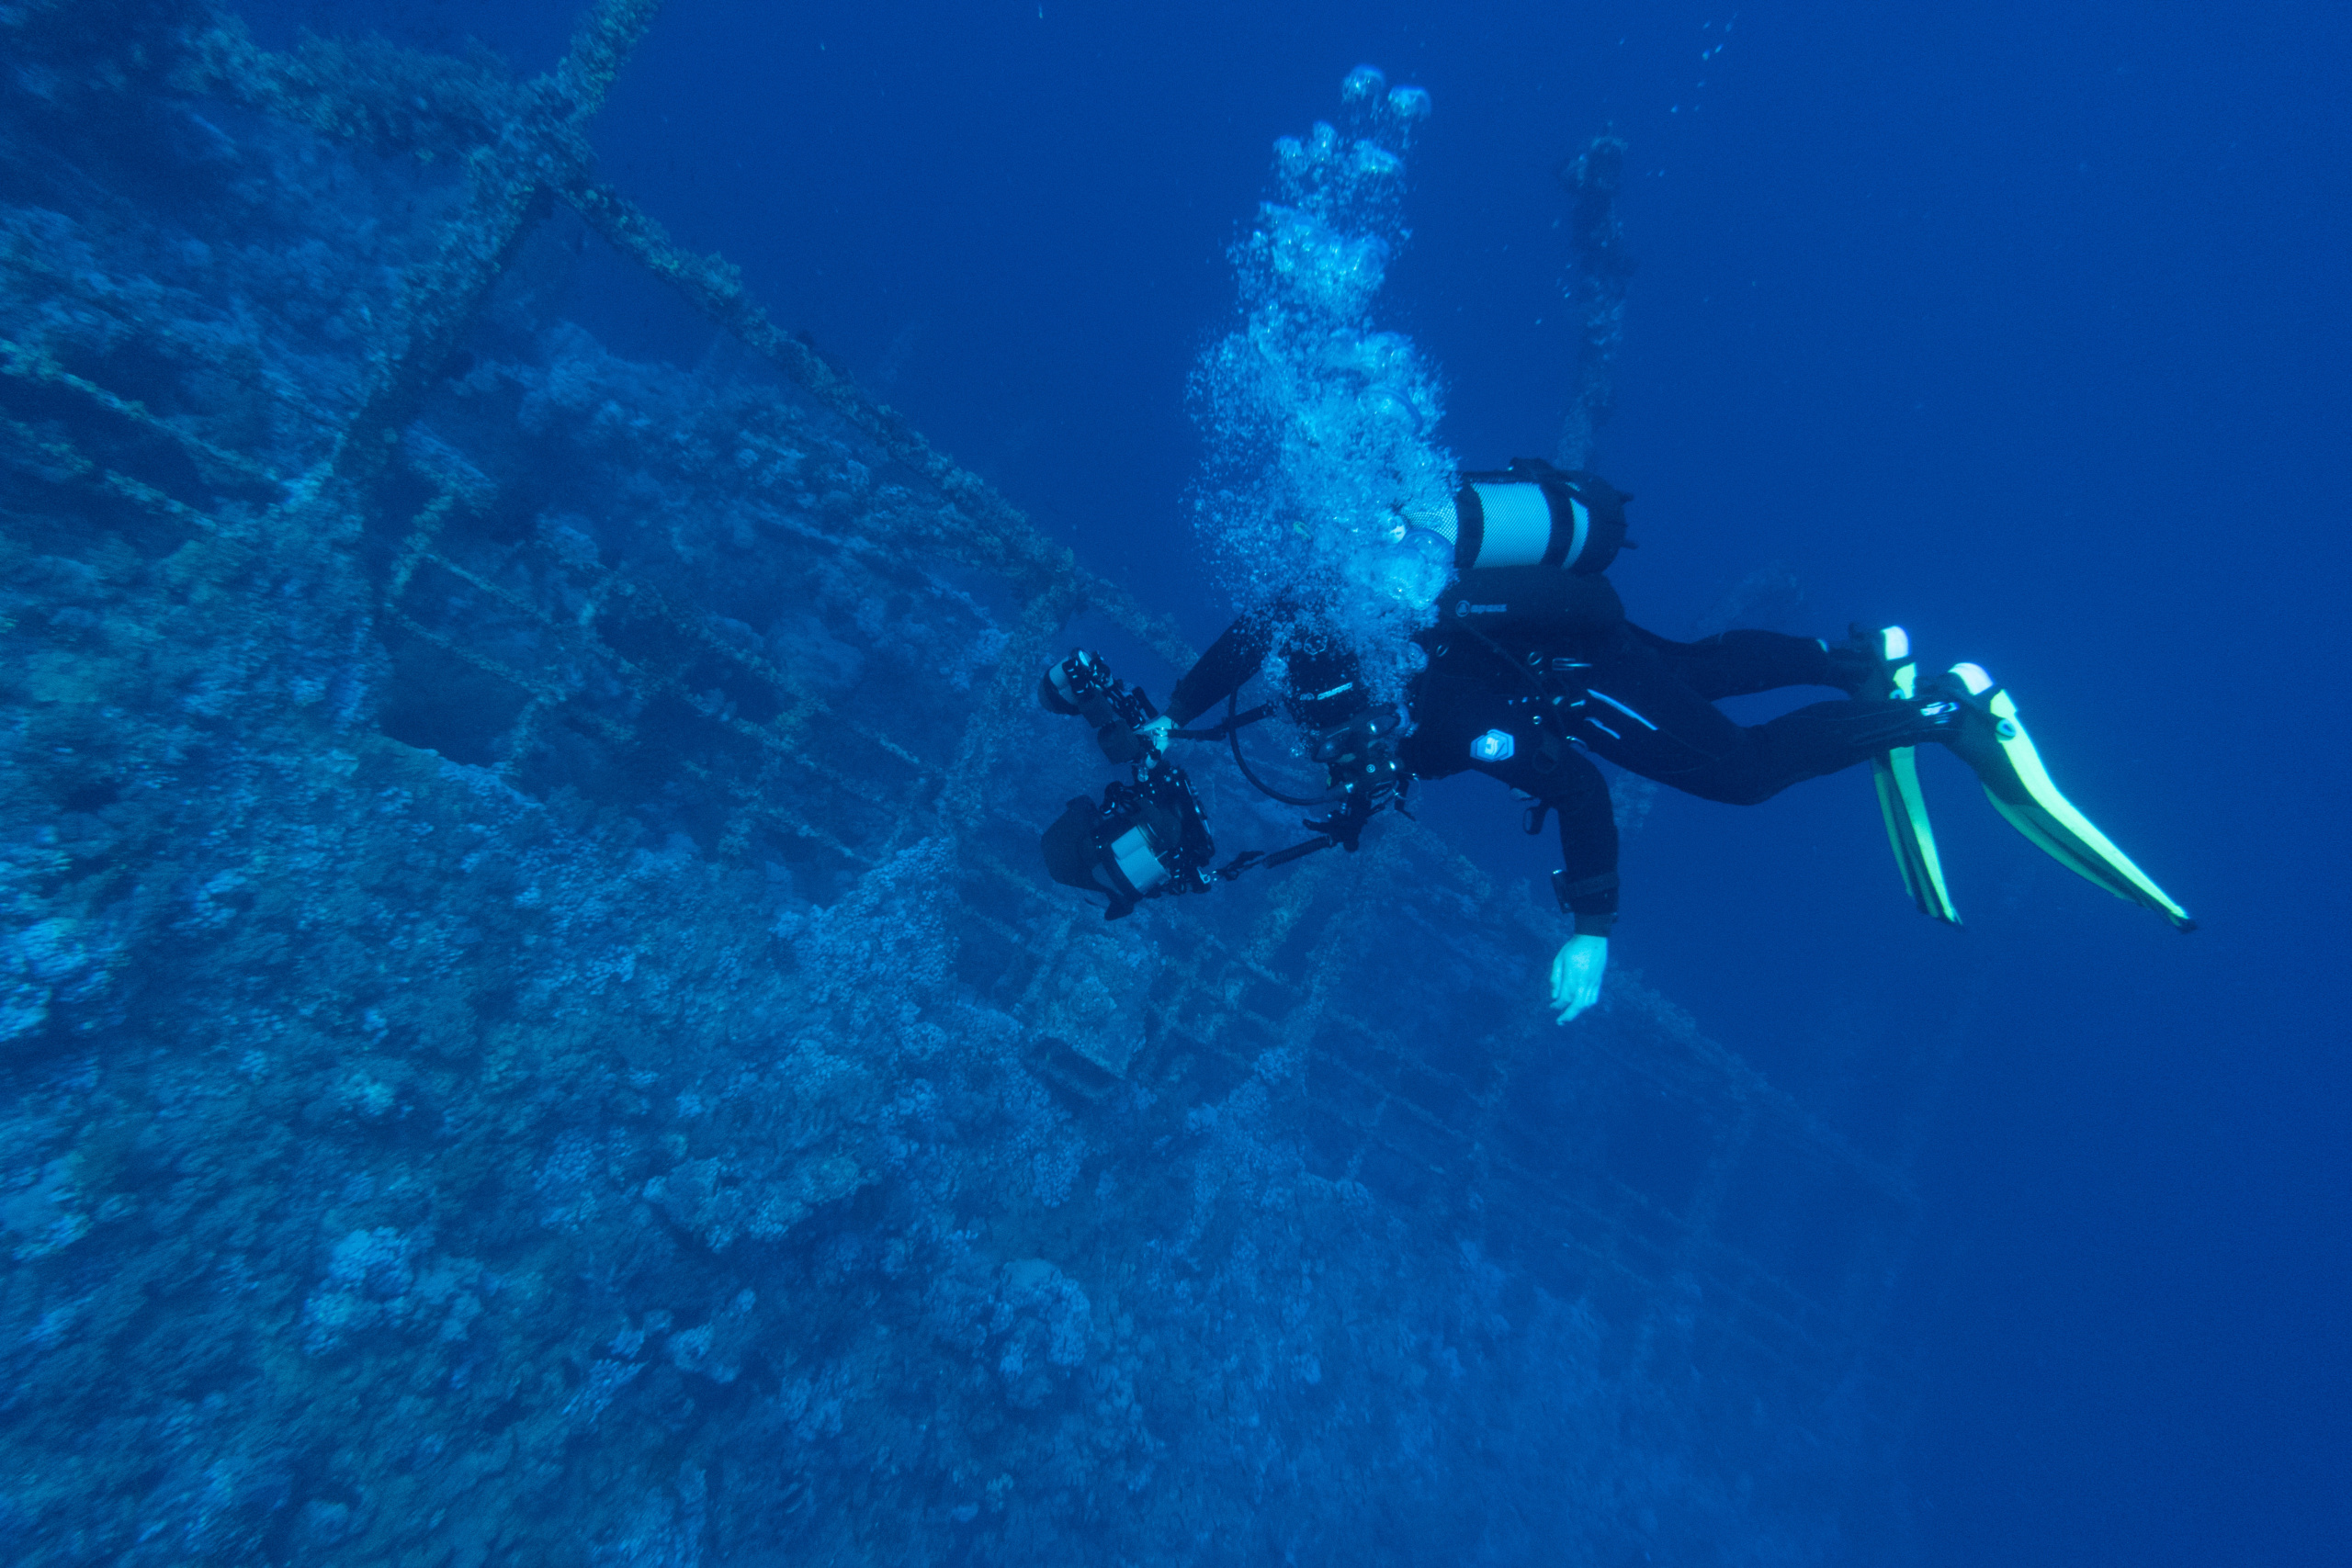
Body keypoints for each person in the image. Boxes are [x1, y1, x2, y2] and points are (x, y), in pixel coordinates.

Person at [1136, 459, 2193, 1025]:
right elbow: (1254, 630)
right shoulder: (1333, 633)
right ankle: (1856, 662)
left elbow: (1579, 789)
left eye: (1344, 744)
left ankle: (1950, 715)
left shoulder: (1440, 717)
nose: (1344, 759)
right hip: (1562, 620)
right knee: (1682, 669)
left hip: (1568, 668)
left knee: (1738, 773)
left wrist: (1589, 930)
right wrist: (1171, 712)